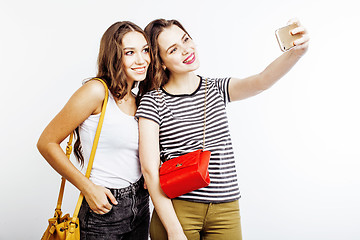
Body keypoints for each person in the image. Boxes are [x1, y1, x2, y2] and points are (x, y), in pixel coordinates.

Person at [135, 18, 309, 240]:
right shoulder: (153, 101)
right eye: (173, 50)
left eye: (186, 39)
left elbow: (261, 81)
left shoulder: (216, 88)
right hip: (178, 211)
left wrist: (296, 53)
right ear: (160, 62)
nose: (186, 50)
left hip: (226, 209)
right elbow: (149, 171)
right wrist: (174, 230)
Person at [37, 21, 153, 240]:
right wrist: (88, 188)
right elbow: (46, 142)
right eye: (130, 52)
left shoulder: (139, 99)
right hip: (104, 208)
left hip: (141, 202)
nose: (142, 59)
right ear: (114, 56)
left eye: (145, 50)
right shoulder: (96, 91)